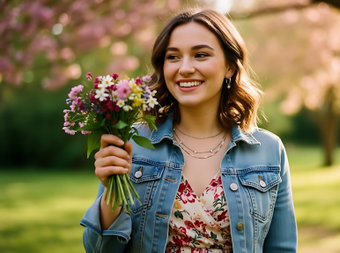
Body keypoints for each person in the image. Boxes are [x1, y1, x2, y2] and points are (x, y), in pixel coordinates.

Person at [81, 9, 297, 252]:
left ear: (230, 67)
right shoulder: (134, 143)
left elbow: (282, 247)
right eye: (173, 57)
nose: (184, 68)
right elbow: (99, 250)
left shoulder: (268, 151)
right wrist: (111, 195)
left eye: (200, 55)